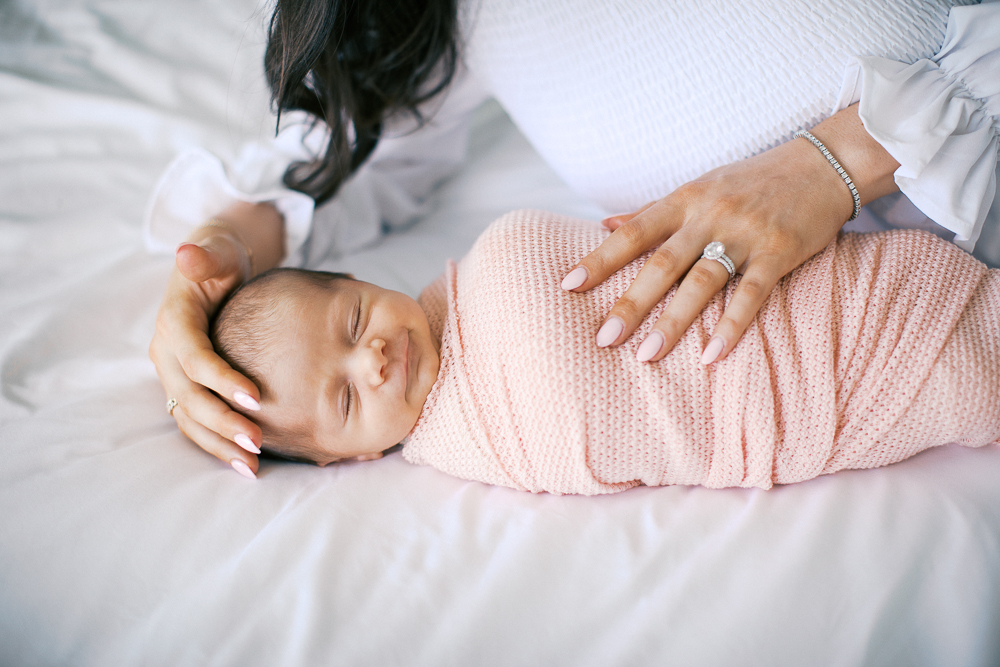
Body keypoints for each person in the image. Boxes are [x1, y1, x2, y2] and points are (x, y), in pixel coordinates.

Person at [146, 0, 1000, 477]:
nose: (369, 358)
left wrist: (834, 162)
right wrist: (215, 264)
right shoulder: (447, 20)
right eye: (341, 398)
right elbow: (342, 164)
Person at [208, 211, 1000, 491]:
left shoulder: (492, 258)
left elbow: (618, 247)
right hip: (796, 391)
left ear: (354, 278)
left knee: (932, 300)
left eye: (351, 322)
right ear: (343, 459)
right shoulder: (478, 441)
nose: (373, 358)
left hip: (804, 300)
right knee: (966, 374)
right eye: (346, 398)